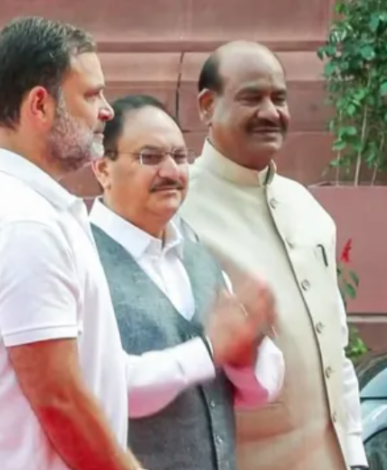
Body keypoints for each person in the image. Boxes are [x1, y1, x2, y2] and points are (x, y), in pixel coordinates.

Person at [178, 40, 369, 470]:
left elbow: (334, 347)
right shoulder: (176, 210)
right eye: (251, 98)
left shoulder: (306, 207)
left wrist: (354, 454)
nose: (270, 112)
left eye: (279, 98)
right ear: (207, 106)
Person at [0, 16, 142, 470]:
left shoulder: (18, 208)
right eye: (91, 94)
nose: (107, 110)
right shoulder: (23, 223)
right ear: (40, 105)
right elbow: (60, 402)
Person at [89, 93, 286, 470]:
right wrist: (210, 351)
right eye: (150, 157)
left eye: (179, 157)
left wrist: (243, 355)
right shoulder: (80, 258)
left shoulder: (198, 257)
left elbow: (262, 388)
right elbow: (106, 387)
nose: (170, 172)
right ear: (102, 169)